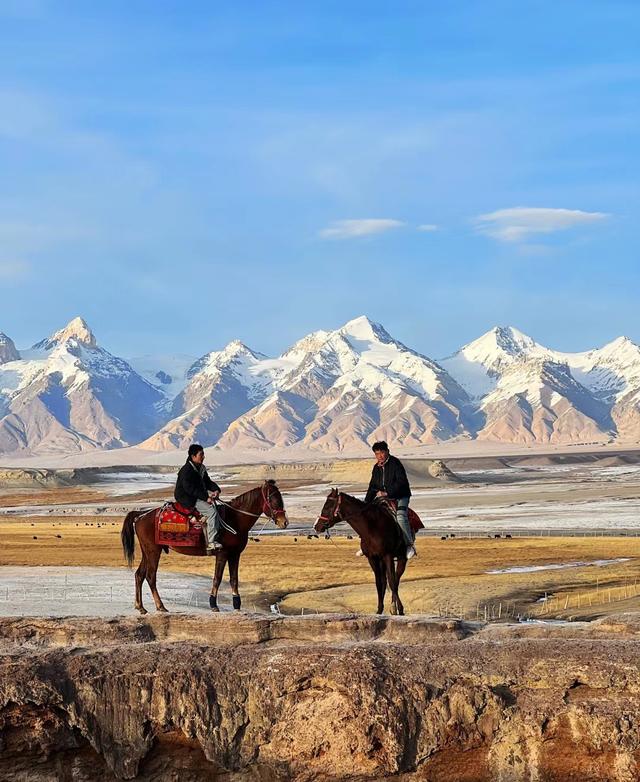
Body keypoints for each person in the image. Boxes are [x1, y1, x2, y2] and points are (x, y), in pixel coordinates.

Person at [364, 440, 416, 560]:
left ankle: (409, 545)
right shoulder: (376, 468)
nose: (380, 456)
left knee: (401, 516)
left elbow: (401, 482)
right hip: (383, 497)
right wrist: (366, 503)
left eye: (382, 452)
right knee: (369, 515)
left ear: (387, 451)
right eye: (377, 453)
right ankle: (366, 544)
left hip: (400, 495)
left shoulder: (395, 464)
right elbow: (372, 486)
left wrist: (387, 492)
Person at [174, 443, 225, 552]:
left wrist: (216, 490)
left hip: (196, 495)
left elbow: (207, 481)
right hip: (187, 497)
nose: (203, 457)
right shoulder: (186, 470)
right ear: (193, 456)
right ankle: (211, 542)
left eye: (203, 454)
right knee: (212, 512)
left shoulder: (200, 468)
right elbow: (189, 489)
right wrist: (206, 498)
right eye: (201, 454)